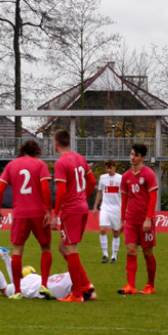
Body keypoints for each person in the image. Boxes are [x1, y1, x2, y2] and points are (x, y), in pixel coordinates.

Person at [0, 140, 53, 300]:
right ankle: (44, 285)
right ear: (36, 152)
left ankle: (18, 291)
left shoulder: (11, 165)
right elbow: (46, 188)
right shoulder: (40, 165)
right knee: (45, 248)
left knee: (17, 251)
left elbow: (0, 190)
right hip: (39, 212)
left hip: (20, 213)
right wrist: (49, 209)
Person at [52, 130, 97, 303]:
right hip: (81, 207)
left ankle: (77, 294)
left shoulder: (61, 163)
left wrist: (55, 214)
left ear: (56, 144)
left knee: (71, 249)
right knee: (63, 248)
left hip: (71, 210)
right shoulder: (79, 158)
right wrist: (83, 199)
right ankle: (85, 284)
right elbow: (92, 181)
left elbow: (62, 191)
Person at [118, 143, 159, 296]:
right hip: (131, 221)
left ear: (143, 158)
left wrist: (149, 219)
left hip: (145, 221)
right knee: (130, 250)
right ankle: (130, 286)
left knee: (147, 253)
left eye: (136, 155)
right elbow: (124, 200)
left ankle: (150, 285)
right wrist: (122, 221)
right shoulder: (126, 176)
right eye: (131, 154)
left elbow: (153, 198)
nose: (132, 157)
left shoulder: (148, 174)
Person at [0, 247, 90, 300]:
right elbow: (90, 295)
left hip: (38, 279)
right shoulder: (66, 290)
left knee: (17, 283)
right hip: (33, 287)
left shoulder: (69, 275)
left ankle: (6, 257)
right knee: (4, 290)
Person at [94, 159, 123, 264]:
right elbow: (99, 193)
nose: (109, 169)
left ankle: (114, 256)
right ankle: (105, 254)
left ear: (114, 167)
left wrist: (126, 208)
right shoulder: (103, 178)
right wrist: (95, 207)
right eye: (107, 167)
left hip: (117, 209)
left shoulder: (120, 178)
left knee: (116, 232)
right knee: (102, 229)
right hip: (105, 207)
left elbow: (125, 194)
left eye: (110, 167)